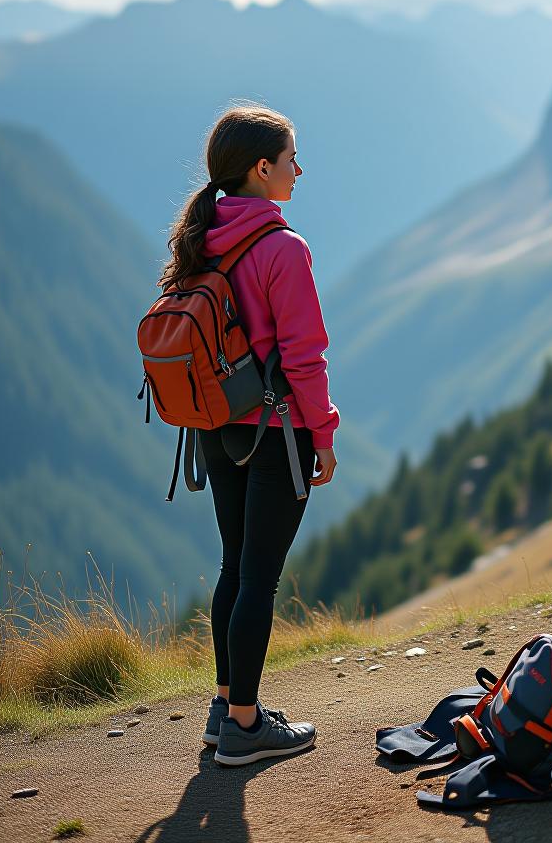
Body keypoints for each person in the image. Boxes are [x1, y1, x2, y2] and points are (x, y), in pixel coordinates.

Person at [158, 104, 339, 766]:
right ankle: (244, 724)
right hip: (277, 429)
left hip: (215, 424)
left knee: (235, 566)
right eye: (292, 159)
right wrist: (321, 434)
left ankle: (225, 705)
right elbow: (304, 355)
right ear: (262, 170)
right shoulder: (283, 250)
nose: (300, 169)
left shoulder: (201, 238)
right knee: (259, 579)